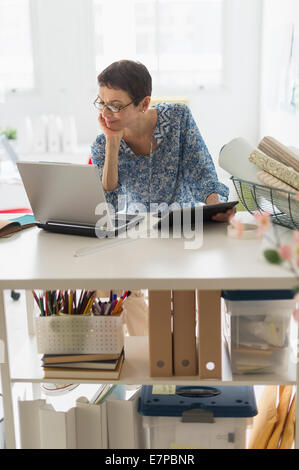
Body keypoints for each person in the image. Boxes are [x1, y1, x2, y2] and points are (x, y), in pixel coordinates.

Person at [91, 60, 235, 335]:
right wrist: (112, 141)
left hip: (183, 230)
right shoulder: (101, 143)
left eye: (116, 105)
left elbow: (202, 170)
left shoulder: (178, 118)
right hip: (137, 233)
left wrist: (216, 206)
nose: (107, 113)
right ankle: (142, 361)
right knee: (116, 289)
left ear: (144, 103)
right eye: (102, 102)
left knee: (185, 316)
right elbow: (108, 201)